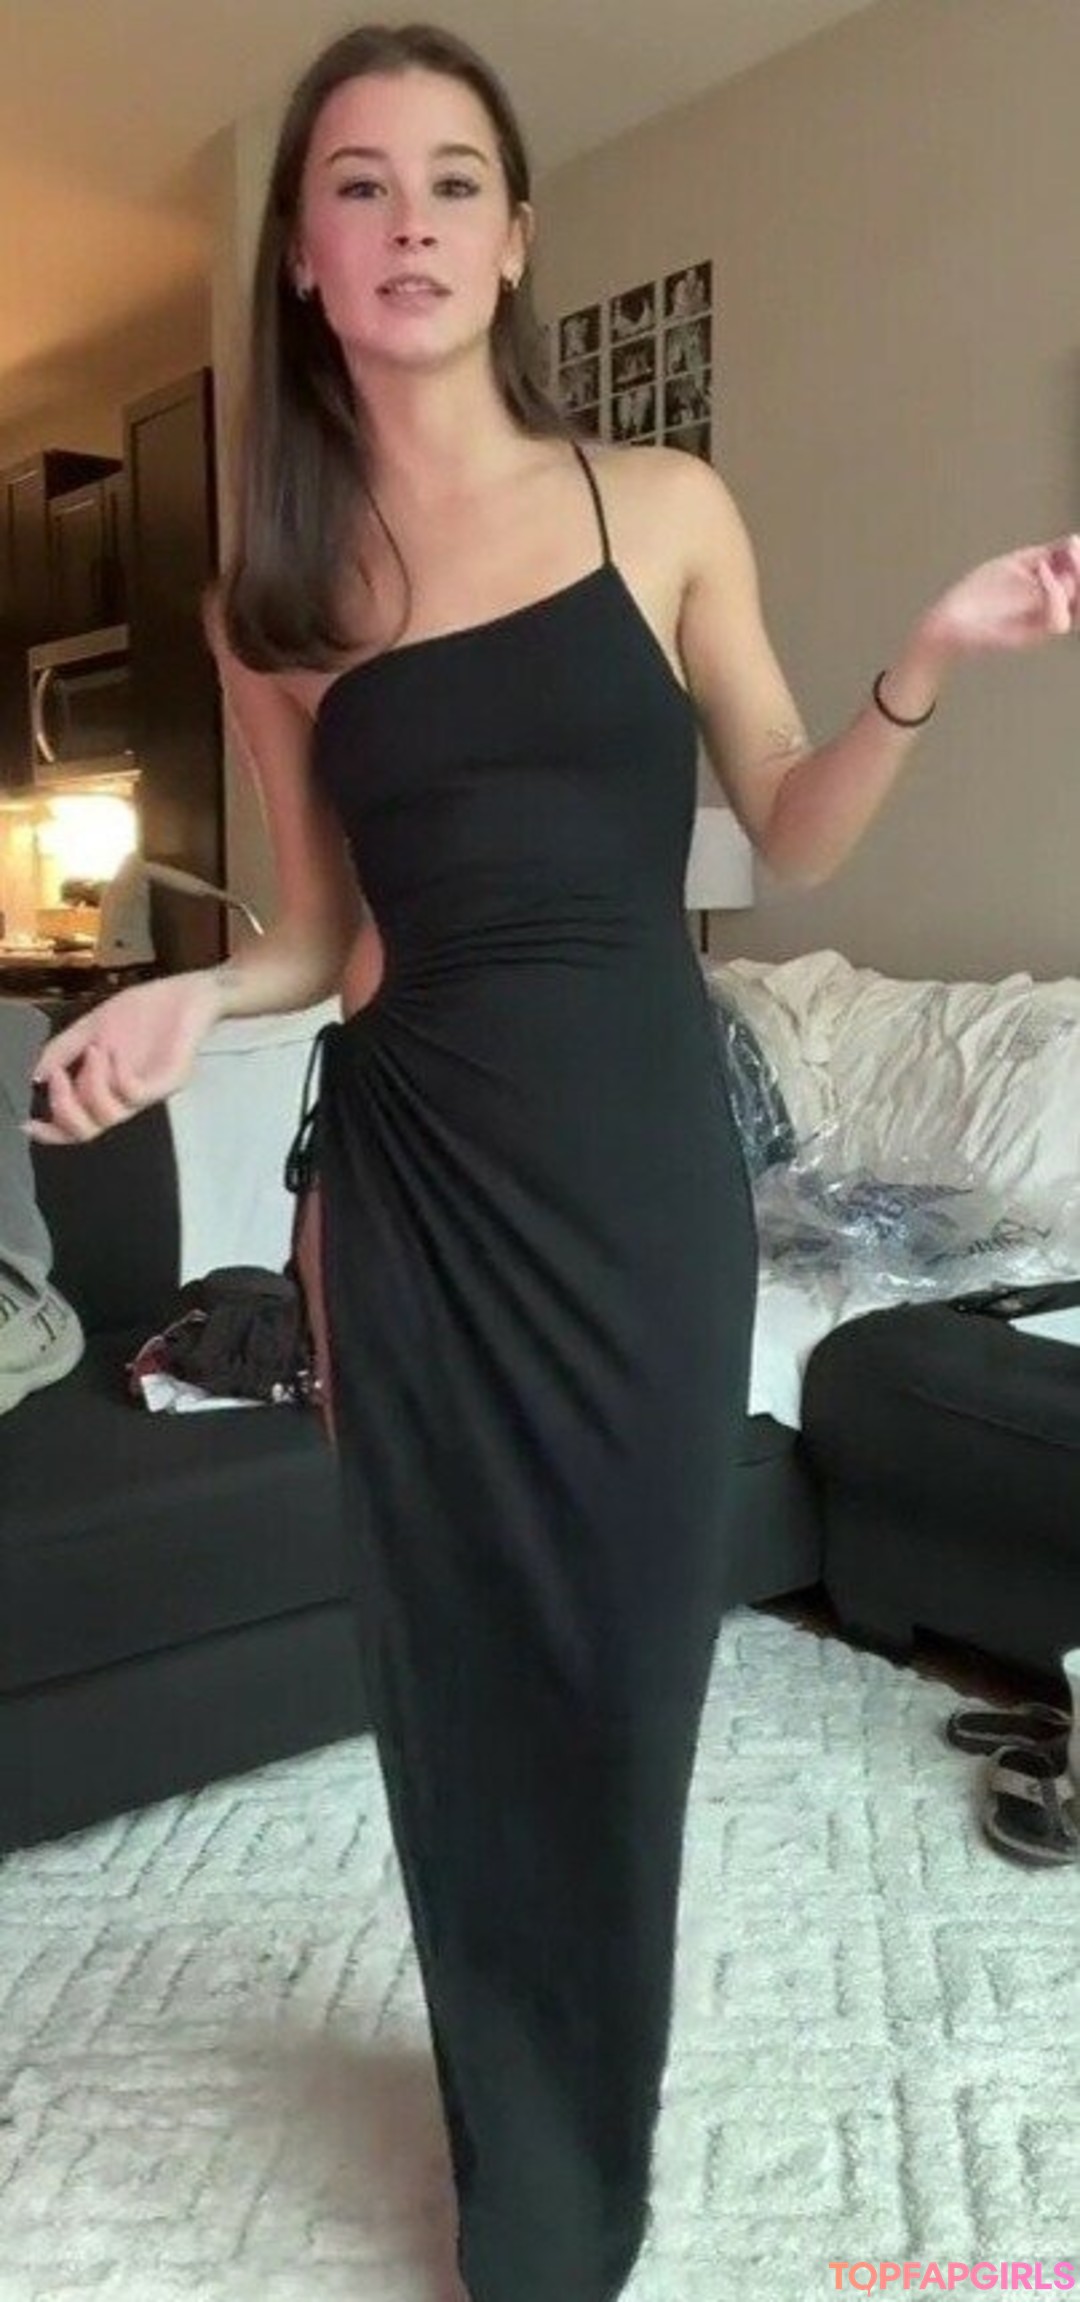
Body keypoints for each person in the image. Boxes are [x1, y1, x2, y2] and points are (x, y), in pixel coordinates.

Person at [23, 20, 1080, 2300]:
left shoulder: (659, 505)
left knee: (620, 1675)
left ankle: (587, 2110)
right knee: (464, 1672)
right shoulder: (270, 598)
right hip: (412, 1187)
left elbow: (786, 830)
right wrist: (192, 997)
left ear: (512, 239)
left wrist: (929, 653)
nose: (410, 222)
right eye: (361, 184)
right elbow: (319, 929)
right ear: (302, 256)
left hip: (640, 1174)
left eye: (455, 182)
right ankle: (537, 2185)